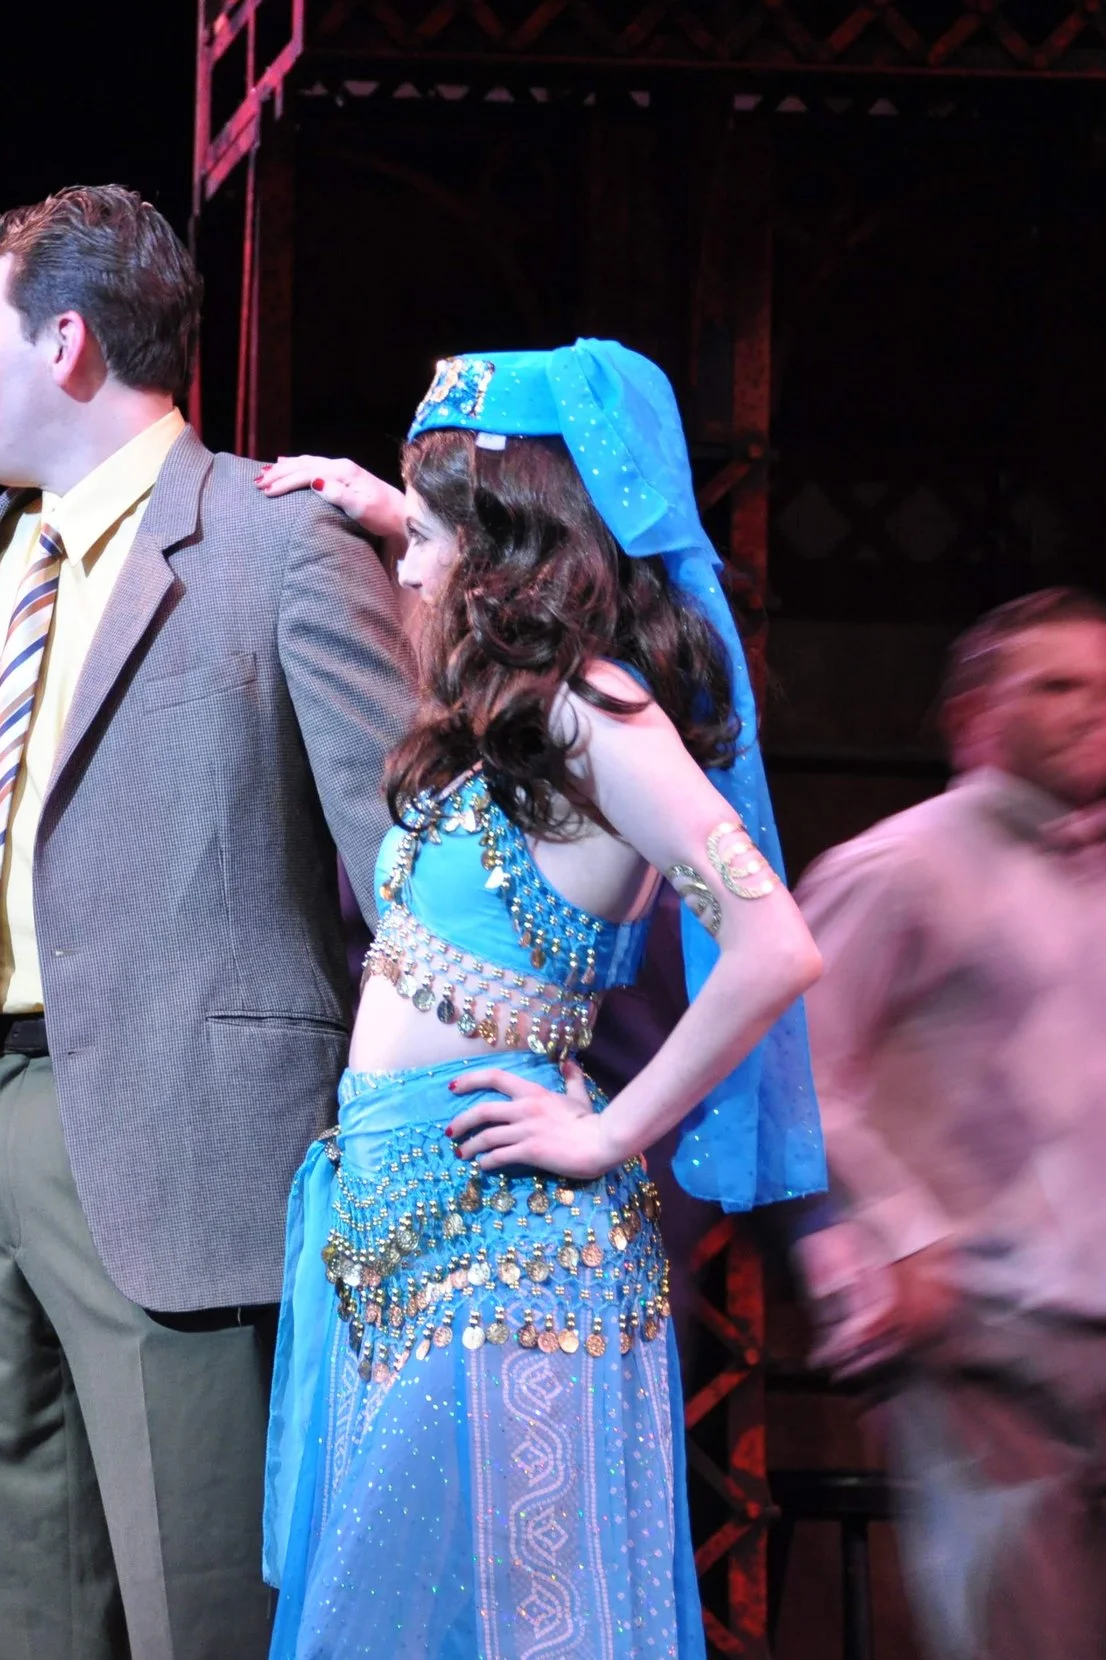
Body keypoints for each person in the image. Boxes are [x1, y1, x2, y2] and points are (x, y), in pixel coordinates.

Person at [0, 185, 416, 1660]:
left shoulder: (275, 538)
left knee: (199, 1603)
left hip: (185, 1131)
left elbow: (408, 867)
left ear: (67, 343)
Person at [254, 340, 827, 1658]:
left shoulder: (598, 713)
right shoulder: (508, 714)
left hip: (511, 1249)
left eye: (426, 538)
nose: (406, 567)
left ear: (502, 546)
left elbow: (774, 945)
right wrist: (391, 503)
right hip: (396, 1236)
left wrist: (612, 1132)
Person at [787, 588, 1106, 1660]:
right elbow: (791, 1072)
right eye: (1058, 685)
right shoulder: (901, 869)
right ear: (975, 715)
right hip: (991, 1342)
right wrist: (898, 1234)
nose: (1096, 708)